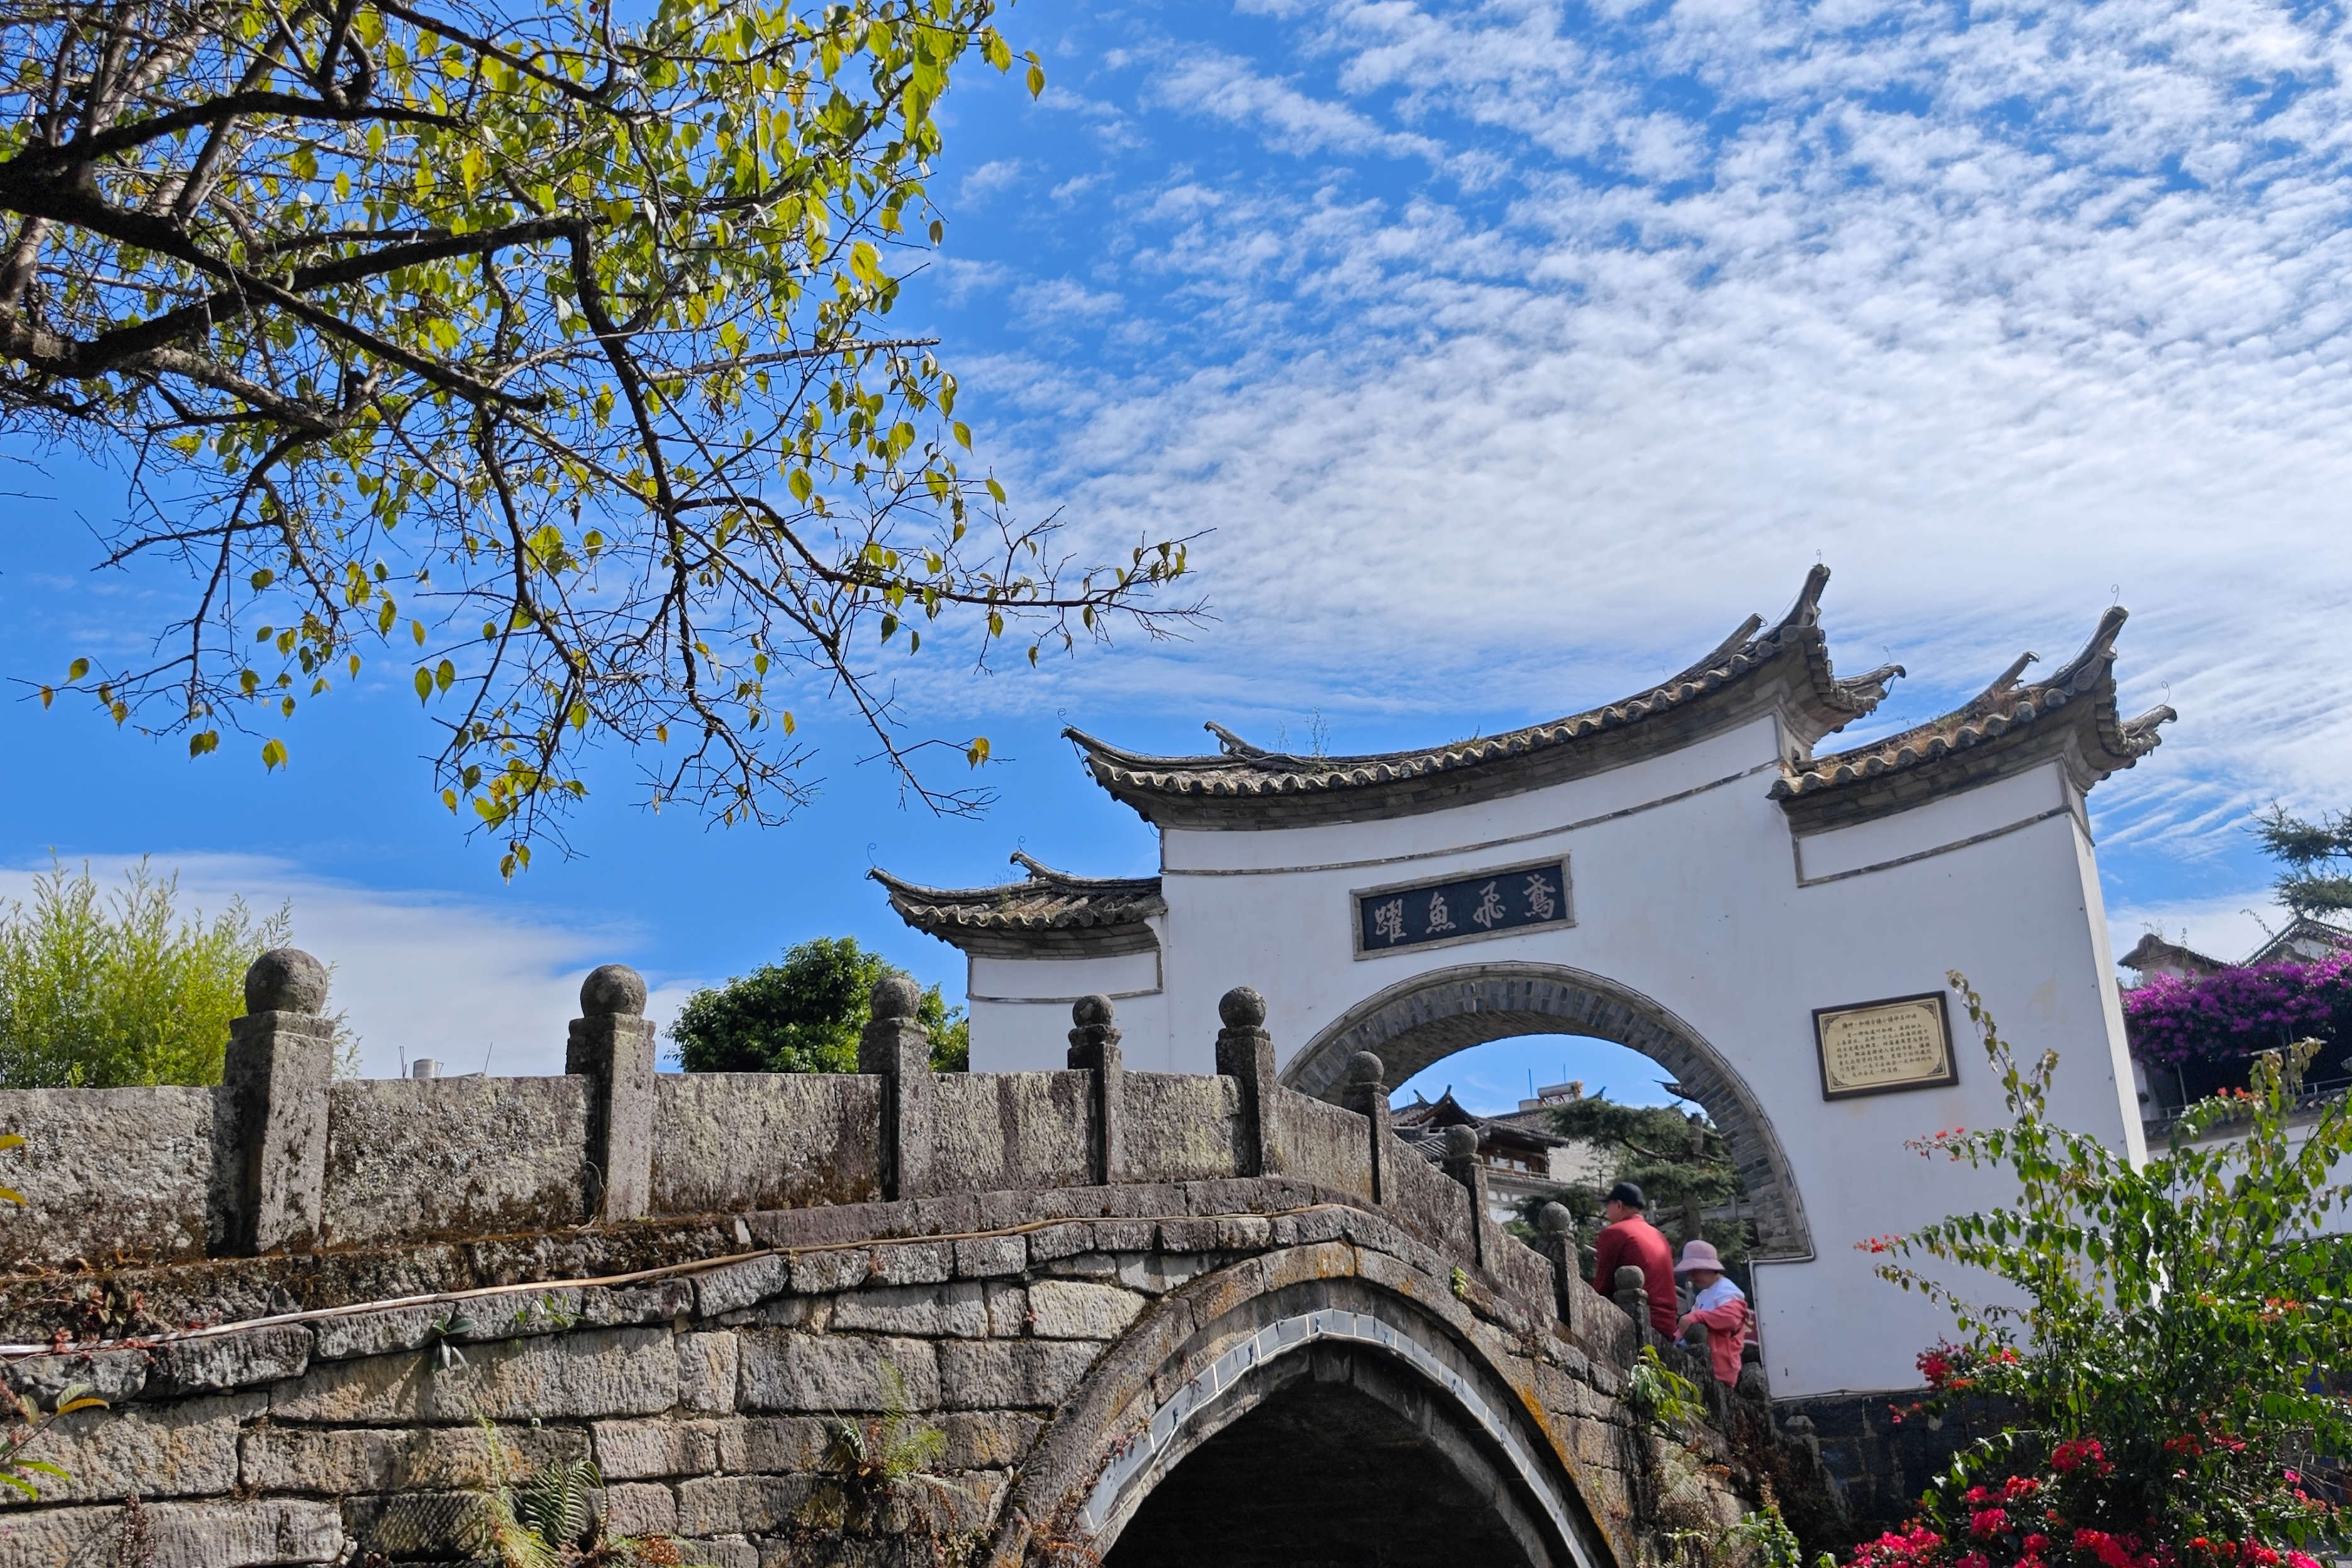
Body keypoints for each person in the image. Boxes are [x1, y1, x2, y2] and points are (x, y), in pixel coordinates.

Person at [1590, 1181, 1677, 1337]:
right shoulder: (1659, 1235)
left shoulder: (1614, 1232)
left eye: (1608, 1206)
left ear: (1618, 1205)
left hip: (1634, 1323)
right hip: (1668, 1326)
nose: (1606, 1212)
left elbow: (1602, 1287)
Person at [1673, 1238, 1750, 1386]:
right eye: (1689, 1272)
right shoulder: (1704, 1295)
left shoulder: (1726, 1289)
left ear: (1710, 1268)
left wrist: (1695, 1317)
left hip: (1719, 1370)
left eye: (1695, 1271)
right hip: (1705, 1364)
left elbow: (1731, 1317)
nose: (1691, 1277)